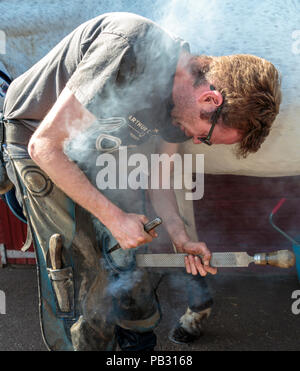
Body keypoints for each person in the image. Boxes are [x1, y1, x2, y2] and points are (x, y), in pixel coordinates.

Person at [0, 12, 281, 351]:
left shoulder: (180, 105)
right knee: (82, 276)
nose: (195, 141)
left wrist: (179, 234)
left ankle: (136, 348)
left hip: (96, 147)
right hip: (38, 140)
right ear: (210, 99)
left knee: (126, 260)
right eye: (206, 137)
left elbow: (159, 175)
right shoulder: (128, 50)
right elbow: (44, 147)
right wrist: (114, 218)